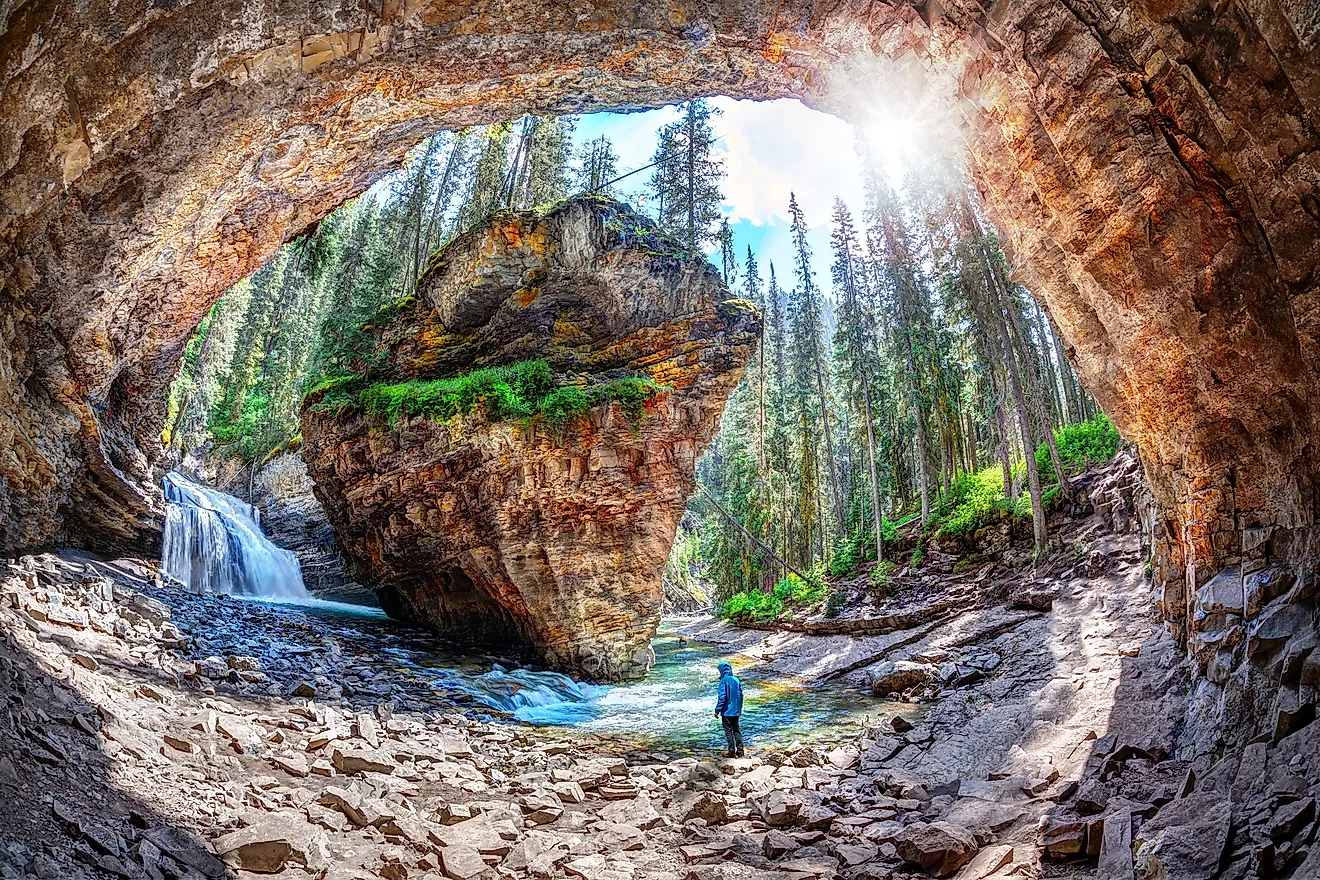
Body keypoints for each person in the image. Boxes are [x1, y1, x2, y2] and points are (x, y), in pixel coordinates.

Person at [713, 661, 745, 758]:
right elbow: (741, 695)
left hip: (727, 711)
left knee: (728, 731)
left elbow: (722, 697)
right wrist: (739, 708)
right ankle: (740, 751)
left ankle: (731, 751)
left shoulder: (723, 681)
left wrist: (717, 710)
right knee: (736, 730)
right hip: (736, 710)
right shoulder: (736, 680)